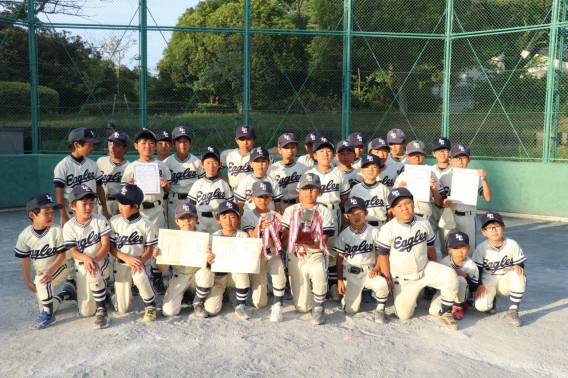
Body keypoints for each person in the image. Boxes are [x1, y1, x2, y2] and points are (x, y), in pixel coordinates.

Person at [376, 188, 460, 330]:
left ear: (413, 203)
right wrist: (387, 278)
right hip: (403, 278)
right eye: (399, 206)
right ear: (392, 210)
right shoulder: (388, 228)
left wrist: (436, 271)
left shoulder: (424, 223)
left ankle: (444, 310)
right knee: (403, 315)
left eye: (407, 203)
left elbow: (431, 248)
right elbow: (383, 255)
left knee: (450, 276)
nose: (404, 208)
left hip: (425, 269)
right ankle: (413, 297)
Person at [122, 128, 172, 294]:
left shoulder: (161, 166)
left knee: (157, 243)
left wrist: (166, 186)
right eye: (143, 143)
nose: (148, 146)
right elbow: (125, 193)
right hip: (139, 210)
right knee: (138, 244)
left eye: (151, 143)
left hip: (156, 208)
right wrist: (129, 185)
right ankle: (138, 277)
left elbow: (168, 191)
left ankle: (157, 276)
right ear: (136, 146)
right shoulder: (131, 167)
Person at [15, 194, 76, 330]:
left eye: (52, 212)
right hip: (43, 274)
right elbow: (25, 259)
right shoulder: (25, 235)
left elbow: (62, 254)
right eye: (46, 213)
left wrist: (50, 270)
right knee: (47, 305)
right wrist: (27, 281)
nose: (50, 216)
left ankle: (49, 316)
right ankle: (67, 293)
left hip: (60, 268)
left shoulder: (56, 230)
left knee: (42, 282)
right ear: (32, 215)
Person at [281, 173, 335, 325]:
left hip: (315, 254)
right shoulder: (291, 211)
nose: (309, 192)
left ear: (320, 190)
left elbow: (323, 243)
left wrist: (305, 239)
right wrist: (293, 231)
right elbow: (284, 241)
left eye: (313, 189)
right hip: (296, 255)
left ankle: (318, 307)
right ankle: (309, 299)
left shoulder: (325, 212)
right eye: (305, 188)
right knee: (302, 307)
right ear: (299, 190)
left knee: (319, 272)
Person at [306, 135, 350, 302]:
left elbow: (344, 197)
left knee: (332, 246)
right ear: (314, 155)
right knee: (314, 245)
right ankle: (317, 283)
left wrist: (335, 211)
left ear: (334, 155)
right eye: (321, 151)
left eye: (329, 151)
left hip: (333, 211)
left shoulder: (339, 173)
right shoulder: (309, 174)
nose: (325, 154)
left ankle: (332, 285)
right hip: (314, 212)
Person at [63, 185, 111, 329]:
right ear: (72, 206)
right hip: (82, 265)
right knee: (86, 312)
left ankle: (102, 311)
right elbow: (73, 251)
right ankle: (104, 291)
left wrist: (94, 259)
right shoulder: (69, 226)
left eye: (91, 203)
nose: (89, 207)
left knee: (94, 273)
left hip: (100, 261)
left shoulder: (100, 220)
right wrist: (86, 258)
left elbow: (106, 245)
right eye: (84, 204)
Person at [154, 203, 215, 318]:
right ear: (176, 221)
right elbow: (161, 269)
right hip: (179, 276)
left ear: (196, 219)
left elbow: (211, 266)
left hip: (197, 276)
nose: (186, 221)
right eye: (182, 218)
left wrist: (209, 258)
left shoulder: (204, 237)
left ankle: (198, 302)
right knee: (169, 311)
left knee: (207, 273)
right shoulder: (170, 238)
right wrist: (158, 257)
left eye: (190, 217)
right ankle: (185, 295)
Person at [334, 196, 389, 323]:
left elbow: (382, 253)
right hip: (351, 273)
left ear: (366, 213)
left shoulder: (373, 231)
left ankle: (380, 310)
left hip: (369, 272)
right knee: (351, 310)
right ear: (346, 216)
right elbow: (339, 259)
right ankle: (347, 296)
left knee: (381, 283)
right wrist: (340, 280)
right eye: (352, 213)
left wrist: (376, 268)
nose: (356, 216)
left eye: (360, 212)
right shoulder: (344, 234)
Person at [109, 184, 159, 322]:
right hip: (120, 264)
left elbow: (149, 250)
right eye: (119, 203)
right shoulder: (114, 221)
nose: (119, 208)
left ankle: (150, 305)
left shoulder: (146, 224)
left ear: (135, 206)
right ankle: (114, 294)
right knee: (122, 309)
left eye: (124, 205)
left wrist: (140, 262)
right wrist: (126, 258)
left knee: (140, 276)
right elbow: (110, 247)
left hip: (138, 262)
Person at [241, 181, 287, 322]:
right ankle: (265, 290)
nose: (263, 200)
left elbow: (282, 239)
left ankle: (278, 304)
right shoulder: (247, 216)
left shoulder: (276, 215)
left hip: (272, 252)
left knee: (279, 269)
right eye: (259, 197)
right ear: (252, 197)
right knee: (259, 303)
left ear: (271, 198)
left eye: (266, 197)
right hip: (257, 255)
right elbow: (250, 238)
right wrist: (259, 227)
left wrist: (285, 231)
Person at [473, 212, 527, 327]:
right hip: (488, 280)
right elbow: (476, 269)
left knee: (518, 273)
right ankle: (491, 300)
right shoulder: (481, 248)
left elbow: (520, 263)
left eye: (497, 226)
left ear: (503, 228)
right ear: (484, 232)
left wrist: (519, 266)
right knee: (481, 306)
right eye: (489, 228)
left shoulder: (512, 244)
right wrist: (479, 285)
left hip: (505, 280)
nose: (494, 230)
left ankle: (513, 310)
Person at [439, 144, 492, 254]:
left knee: (469, 249)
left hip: (468, 217)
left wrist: (484, 180)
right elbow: (441, 201)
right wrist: (444, 202)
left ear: (469, 160)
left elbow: (487, 197)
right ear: (450, 160)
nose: (460, 161)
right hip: (450, 215)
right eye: (456, 158)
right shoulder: (444, 177)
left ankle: (469, 271)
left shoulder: (475, 176)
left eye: (463, 158)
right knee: (447, 249)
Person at [203, 200, 251, 319]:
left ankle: (240, 304)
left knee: (243, 272)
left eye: (232, 217)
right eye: (224, 217)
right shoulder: (212, 237)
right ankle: (223, 293)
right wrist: (208, 260)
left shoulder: (243, 236)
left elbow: (248, 258)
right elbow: (206, 262)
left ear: (238, 219)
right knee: (211, 309)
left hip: (235, 275)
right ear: (218, 219)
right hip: (219, 277)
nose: (228, 221)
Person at [429, 231, 479, 320]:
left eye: (463, 247)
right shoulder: (444, 262)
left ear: (468, 248)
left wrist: (465, 276)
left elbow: (474, 287)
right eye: (456, 248)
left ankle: (458, 305)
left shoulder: (471, 265)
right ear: (449, 250)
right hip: (445, 291)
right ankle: (451, 303)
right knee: (434, 311)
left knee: (460, 279)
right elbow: (436, 284)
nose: (460, 251)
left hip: (463, 292)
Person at [164, 126, 204, 230]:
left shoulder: (196, 162)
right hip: (174, 200)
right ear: (173, 144)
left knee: (193, 230)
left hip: (192, 200)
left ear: (191, 143)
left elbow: (203, 184)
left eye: (185, 141)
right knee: (174, 230)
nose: (182, 144)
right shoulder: (167, 163)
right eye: (179, 141)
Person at [188, 146, 234, 233]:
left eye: (214, 163)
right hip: (200, 219)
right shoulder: (197, 184)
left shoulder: (223, 184)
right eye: (207, 163)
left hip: (217, 219)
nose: (211, 166)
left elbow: (229, 205)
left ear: (220, 164)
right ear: (201, 164)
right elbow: (192, 204)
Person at [394, 140, 443, 219]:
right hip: (405, 217)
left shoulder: (431, 174)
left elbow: (439, 202)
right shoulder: (402, 176)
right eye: (413, 155)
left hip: (424, 217)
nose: (417, 158)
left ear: (425, 155)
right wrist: (399, 191)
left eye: (420, 155)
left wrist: (434, 189)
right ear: (407, 156)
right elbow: (394, 203)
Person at [234, 146, 283, 215]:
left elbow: (277, 205)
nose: (260, 164)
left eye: (263, 161)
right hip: (249, 218)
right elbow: (240, 205)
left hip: (269, 217)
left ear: (268, 163)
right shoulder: (245, 182)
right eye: (256, 161)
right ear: (250, 163)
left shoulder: (273, 182)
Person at [267, 133, 308, 212]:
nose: (290, 150)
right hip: (280, 205)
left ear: (297, 149)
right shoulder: (273, 168)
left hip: (298, 205)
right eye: (286, 147)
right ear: (279, 150)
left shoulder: (303, 168)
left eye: (293, 147)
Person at [349, 154, 390, 229]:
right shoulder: (356, 188)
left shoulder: (384, 188)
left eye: (374, 167)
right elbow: (351, 211)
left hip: (381, 225)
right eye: (367, 167)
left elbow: (389, 211)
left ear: (380, 170)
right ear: (361, 170)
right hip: (362, 226)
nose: (370, 170)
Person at [97, 130, 130, 216]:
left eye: (117, 145)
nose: (112, 148)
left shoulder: (129, 167)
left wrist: (122, 206)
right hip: (101, 203)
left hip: (118, 204)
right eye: (111, 144)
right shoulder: (101, 162)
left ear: (125, 148)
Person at [429, 137, 452, 255]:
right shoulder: (429, 170)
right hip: (432, 209)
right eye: (439, 150)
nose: (442, 153)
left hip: (448, 211)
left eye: (445, 150)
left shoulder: (457, 170)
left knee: (447, 246)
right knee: (427, 243)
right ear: (433, 153)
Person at [220, 125, 257, 191]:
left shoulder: (258, 155)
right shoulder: (228, 154)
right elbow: (214, 169)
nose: (245, 143)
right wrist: (226, 182)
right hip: (234, 191)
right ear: (237, 140)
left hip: (253, 192)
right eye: (242, 139)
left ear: (254, 140)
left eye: (248, 139)